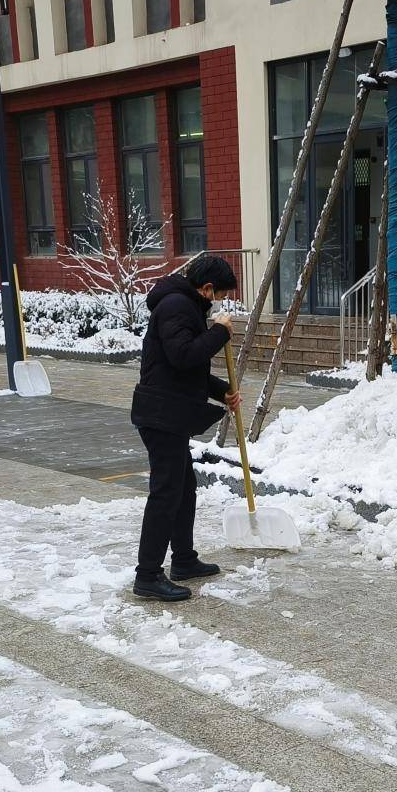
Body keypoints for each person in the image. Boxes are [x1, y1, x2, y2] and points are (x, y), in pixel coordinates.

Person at [130, 255, 242, 602]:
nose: (219, 302)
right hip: (161, 414)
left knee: (184, 489)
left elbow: (184, 368)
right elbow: (184, 355)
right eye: (219, 294)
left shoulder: (184, 305)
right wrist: (219, 333)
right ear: (206, 288)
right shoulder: (177, 306)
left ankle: (184, 560)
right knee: (166, 493)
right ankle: (147, 575)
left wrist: (222, 391)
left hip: (170, 413)